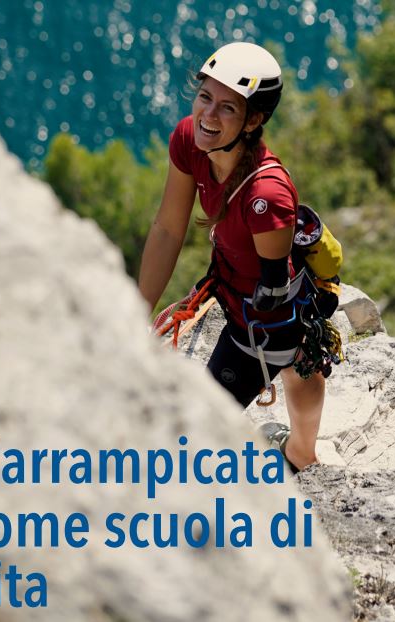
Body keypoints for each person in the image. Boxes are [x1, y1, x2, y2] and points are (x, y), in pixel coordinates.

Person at [137, 42, 324, 473]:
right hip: (234, 286)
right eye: (205, 97)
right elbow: (168, 229)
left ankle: (299, 456)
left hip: (262, 319)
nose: (208, 115)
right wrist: (137, 312)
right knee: (299, 365)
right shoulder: (189, 140)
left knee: (201, 427)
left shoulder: (266, 195)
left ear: (253, 120)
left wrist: (258, 338)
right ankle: (302, 452)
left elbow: (274, 286)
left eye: (227, 108)